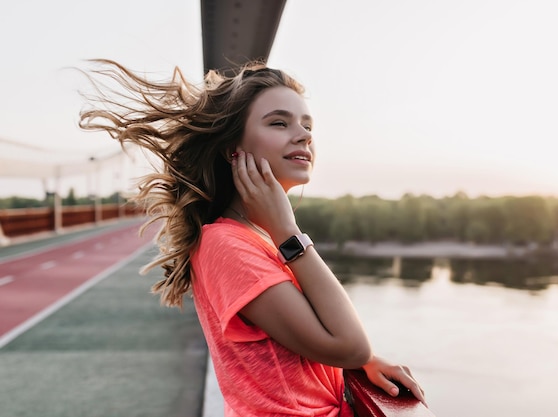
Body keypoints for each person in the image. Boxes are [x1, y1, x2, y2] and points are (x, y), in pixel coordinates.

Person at [79, 59, 427, 416]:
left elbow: (336, 345)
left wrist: (366, 361)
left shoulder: (253, 237)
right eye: (279, 122)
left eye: (307, 125)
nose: (304, 135)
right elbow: (349, 347)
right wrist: (289, 233)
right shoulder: (227, 245)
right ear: (233, 150)